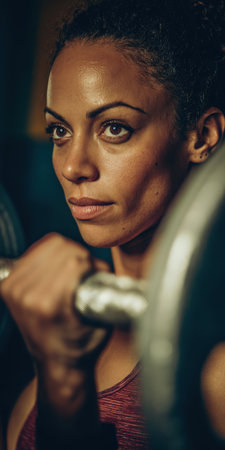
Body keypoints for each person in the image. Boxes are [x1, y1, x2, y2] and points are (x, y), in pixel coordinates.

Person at [1, 0, 225, 448]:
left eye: (114, 129)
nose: (73, 166)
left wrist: (65, 377)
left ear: (201, 137)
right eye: (59, 132)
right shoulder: (32, 395)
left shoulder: (215, 371)